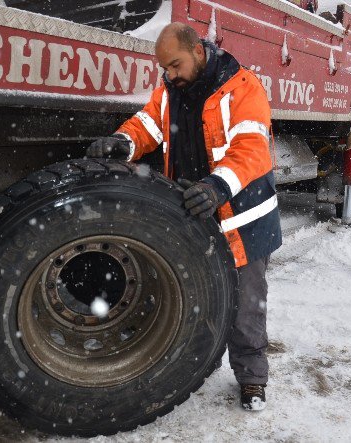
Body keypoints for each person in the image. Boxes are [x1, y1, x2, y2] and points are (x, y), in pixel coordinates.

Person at [86, 23, 281, 411]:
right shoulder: (172, 90)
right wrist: (123, 143)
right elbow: (147, 125)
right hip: (195, 212)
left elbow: (251, 150)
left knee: (245, 307)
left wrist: (216, 187)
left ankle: (252, 379)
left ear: (197, 50)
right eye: (165, 68)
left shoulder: (243, 88)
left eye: (174, 65)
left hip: (240, 218)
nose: (169, 74)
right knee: (191, 298)